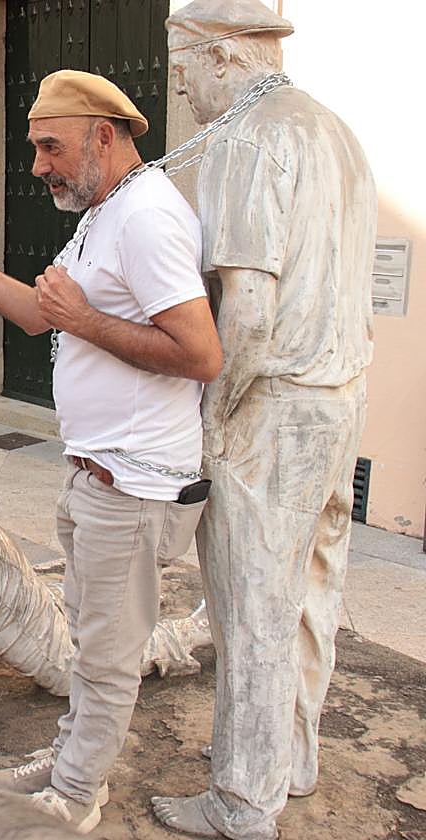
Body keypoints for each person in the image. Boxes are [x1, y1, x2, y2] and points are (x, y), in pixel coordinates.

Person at [0, 70, 222, 834]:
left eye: (50, 146)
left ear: (103, 137)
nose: (37, 164)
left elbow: (199, 353)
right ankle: (73, 755)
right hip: (95, 476)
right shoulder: (104, 214)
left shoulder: (145, 219)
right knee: (89, 641)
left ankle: (76, 795)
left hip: (134, 484)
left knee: (108, 656)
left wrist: (86, 319)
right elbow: (42, 319)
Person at [150, 3, 379, 838]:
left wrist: (211, 417)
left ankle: (245, 801)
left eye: (184, 67)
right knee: (314, 589)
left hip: (275, 404)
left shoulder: (249, 139)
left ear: (224, 56)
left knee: (252, 610)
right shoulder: (335, 130)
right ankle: (296, 759)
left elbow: (244, 311)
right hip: (341, 397)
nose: (180, 84)